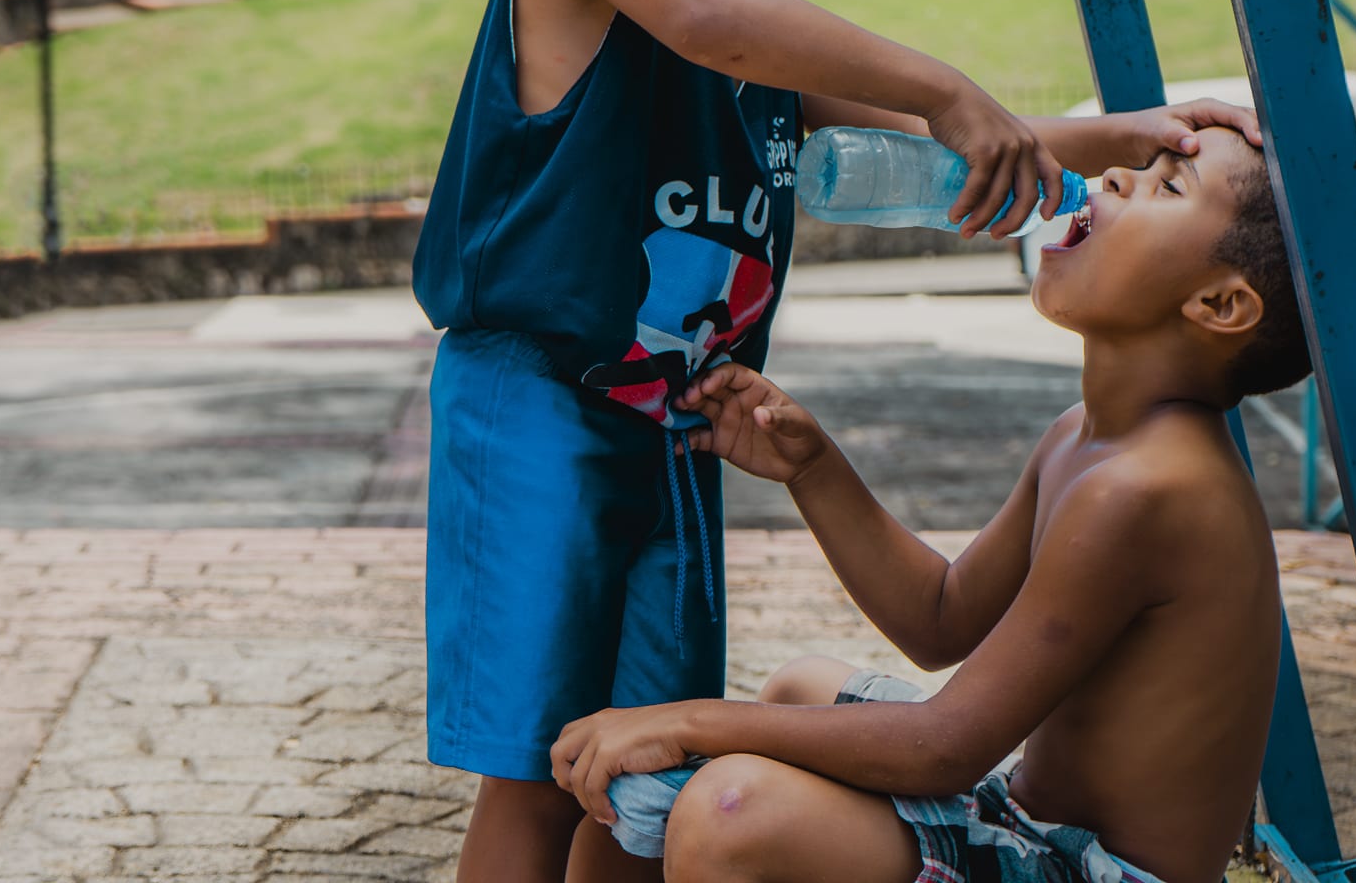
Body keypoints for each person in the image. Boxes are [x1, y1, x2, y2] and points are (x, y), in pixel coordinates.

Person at [413, 0, 1263, 880]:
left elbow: (965, 146)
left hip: (669, 428)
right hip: (543, 405)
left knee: (627, 782)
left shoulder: (751, 26)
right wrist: (942, 81)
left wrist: (1114, 134)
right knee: (540, 773)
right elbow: (705, 20)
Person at [550, 127, 1312, 883]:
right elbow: (941, 619)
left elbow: (948, 745)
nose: (1114, 177)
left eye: (1168, 186)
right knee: (800, 689)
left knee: (730, 814)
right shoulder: (1082, 438)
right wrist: (812, 468)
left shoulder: (1146, 490)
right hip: (1032, 824)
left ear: (1219, 303)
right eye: (1142, 167)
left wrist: (684, 722)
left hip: (1095, 871)